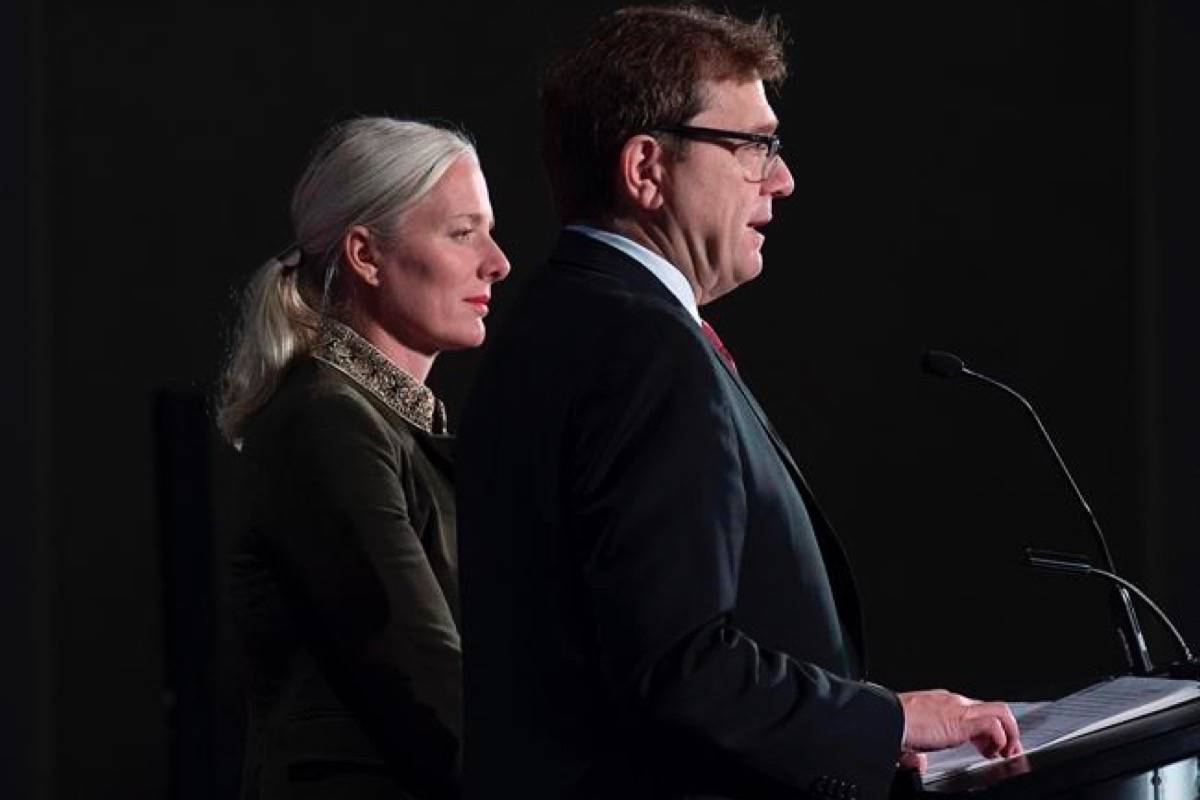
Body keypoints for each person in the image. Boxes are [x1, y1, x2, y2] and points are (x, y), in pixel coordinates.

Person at [455, 7, 1020, 800]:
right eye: (752, 146)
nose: (781, 177)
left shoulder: (554, 329)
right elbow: (677, 666)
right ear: (647, 168)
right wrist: (880, 721)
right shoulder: (640, 350)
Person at [218, 116, 510, 800]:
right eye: (462, 232)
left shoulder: (384, 420)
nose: (496, 260)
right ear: (364, 254)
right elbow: (426, 678)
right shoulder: (328, 418)